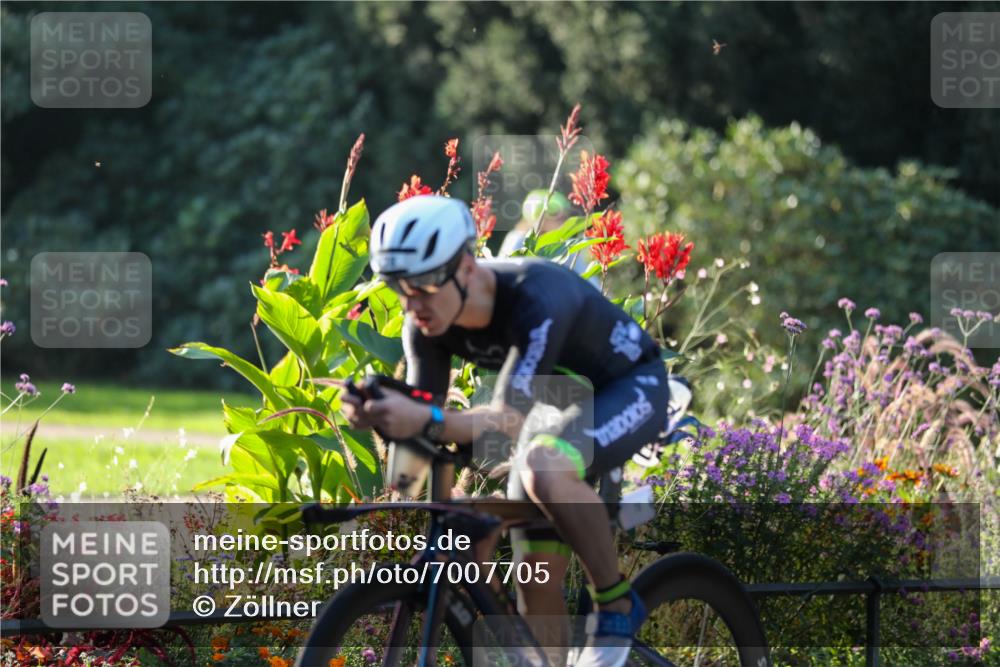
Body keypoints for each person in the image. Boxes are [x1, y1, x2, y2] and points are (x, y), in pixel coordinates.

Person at [341, 195, 671, 667]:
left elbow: (507, 418)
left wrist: (428, 420)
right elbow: (427, 429)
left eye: (425, 285)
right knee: (532, 575)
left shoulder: (534, 298)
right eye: (399, 288)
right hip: (556, 410)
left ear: (468, 266)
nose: (413, 303)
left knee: (543, 467)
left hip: (627, 385)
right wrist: (381, 417)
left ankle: (615, 599)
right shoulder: (426, 325)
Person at [498, 190, 592, 281]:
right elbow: (503, 273)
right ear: (537, 216)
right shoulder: (518, 239)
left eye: (564, 214)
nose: (563, 219)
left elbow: (588, 279)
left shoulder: (565, 245)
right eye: (555, 214)